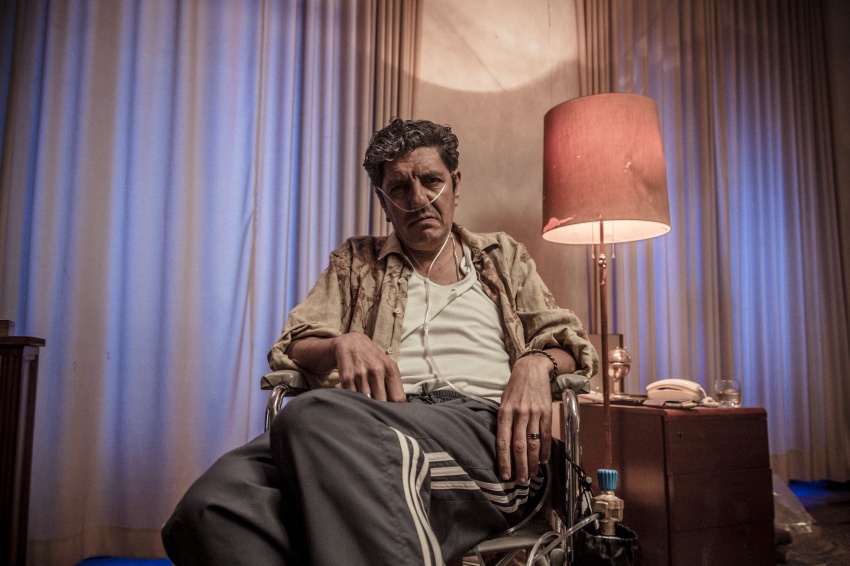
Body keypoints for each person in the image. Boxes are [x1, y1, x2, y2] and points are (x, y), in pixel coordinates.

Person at [162, 118, 597, 565]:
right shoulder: (355, 261)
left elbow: (568, 342)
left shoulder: (501, 257)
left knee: (310, 416)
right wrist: (341, 344)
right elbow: (295, 343)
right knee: (211, 508)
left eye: (431, 181)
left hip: (482, 434)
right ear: (383, 202)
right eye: (399, 188)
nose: (418, 199)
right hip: (357, 428)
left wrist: (537, 363)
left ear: (456, 185)